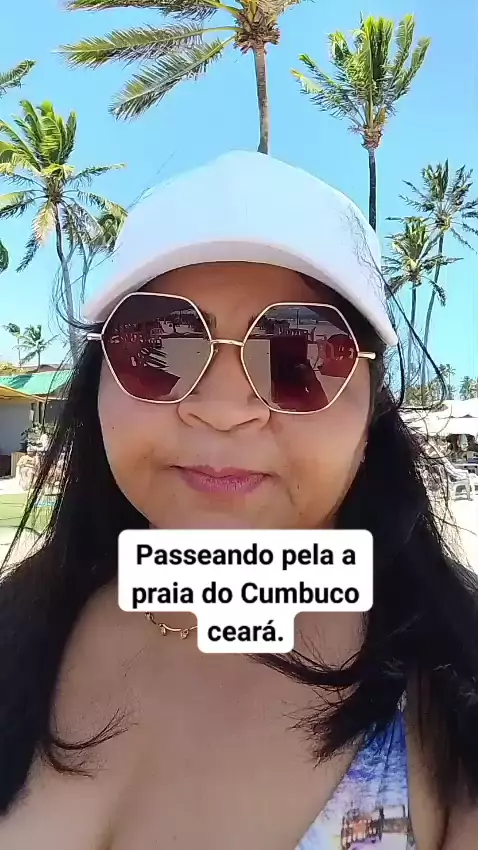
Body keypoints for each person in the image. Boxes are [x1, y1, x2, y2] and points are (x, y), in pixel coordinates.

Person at [1, 151, 478, 849]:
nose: (224, 410)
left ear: (371, 412)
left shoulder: (454, 683)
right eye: (159, 345)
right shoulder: (16, 625)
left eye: (300, 356)